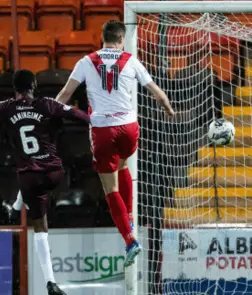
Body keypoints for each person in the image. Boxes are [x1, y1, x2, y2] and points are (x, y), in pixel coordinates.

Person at [55, 20, 174, 266]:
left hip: (103, 130)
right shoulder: (130, 59)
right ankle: (129, 216)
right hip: (130, 128)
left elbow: (65, 95)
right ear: (121, 39)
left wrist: (49, 114)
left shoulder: (87, 61)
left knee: (110, 189)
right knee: (123, 167)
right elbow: (156, 91)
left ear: (103, 38)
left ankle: (130, 240)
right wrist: (168, 109)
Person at [0, 69, 90, 295]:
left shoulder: (6, 107)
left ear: (14, 88)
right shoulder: (48, 104)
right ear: (34, 85)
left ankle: (16, 208)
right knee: (38, 192)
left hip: (28, 177)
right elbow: (79, 115)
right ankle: (16, 207)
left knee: (39, 224)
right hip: (54, 174)